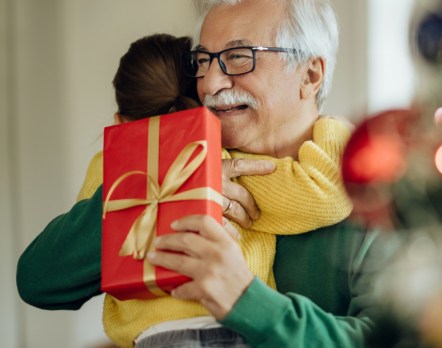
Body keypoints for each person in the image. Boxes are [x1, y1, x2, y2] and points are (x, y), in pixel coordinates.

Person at [17, 0, 383, 347]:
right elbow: (39, 282)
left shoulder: (380, 194)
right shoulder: (173, 164)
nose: (209, 84)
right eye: (203, 60)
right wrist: (165, 194)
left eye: (239, 57)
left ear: (310, 73)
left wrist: (247, 301)